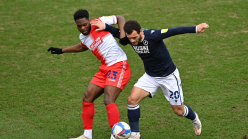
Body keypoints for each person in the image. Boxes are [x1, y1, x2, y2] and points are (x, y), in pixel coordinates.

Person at [91, 18, 209, 138]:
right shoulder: (130, 38)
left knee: (179, 111)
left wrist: (196, 28)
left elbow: (175, 31)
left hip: (169, 77)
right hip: (150, 76)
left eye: (134, 38)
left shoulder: (153, 36)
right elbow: (117, 33)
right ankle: (136, 135)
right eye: (130, 38)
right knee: (132, 100)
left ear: (141, 32)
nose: (132, 41)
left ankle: (194, 117)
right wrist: (105, 26)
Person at [47, 9, 131, 139]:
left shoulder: (100, 22)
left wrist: (122, 34)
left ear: (89, 20)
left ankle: (115, 136)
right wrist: (62, 50)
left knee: (108, 99)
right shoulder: (83, 37)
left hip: (118, 65)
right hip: (105, 68)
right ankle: (87, 136)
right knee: (87, 98)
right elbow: (82, 47)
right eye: (79, 26)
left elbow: (120, 17)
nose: (83, 28)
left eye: (85, 24)